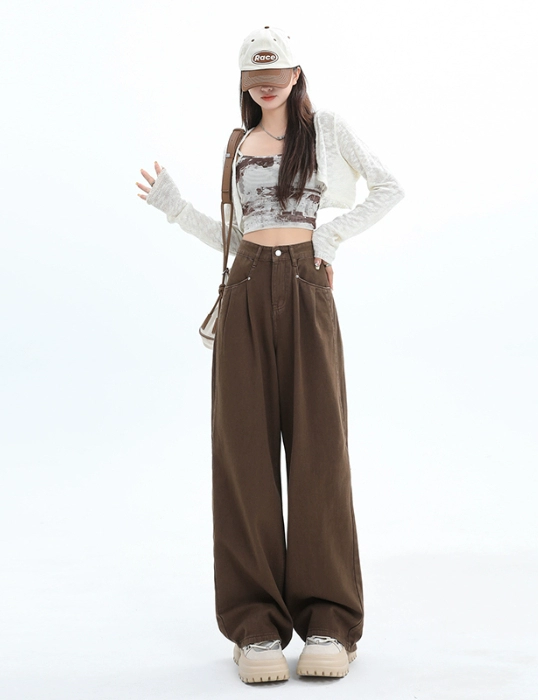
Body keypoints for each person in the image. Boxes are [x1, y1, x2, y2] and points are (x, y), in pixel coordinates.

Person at [136, 26, 404, 684]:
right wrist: (175, 208)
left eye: (277, 75)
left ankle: (328, 620)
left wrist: (328, 241)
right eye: (256, 78)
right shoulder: (238, 145)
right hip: (247, 288)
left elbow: (388, 187)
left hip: (307, 288)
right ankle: (254, 625)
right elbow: (232, 238)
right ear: (243, 83)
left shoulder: (326, 131)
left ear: (296, 74)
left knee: (320, 452)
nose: (267, 86)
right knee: (244, 457)